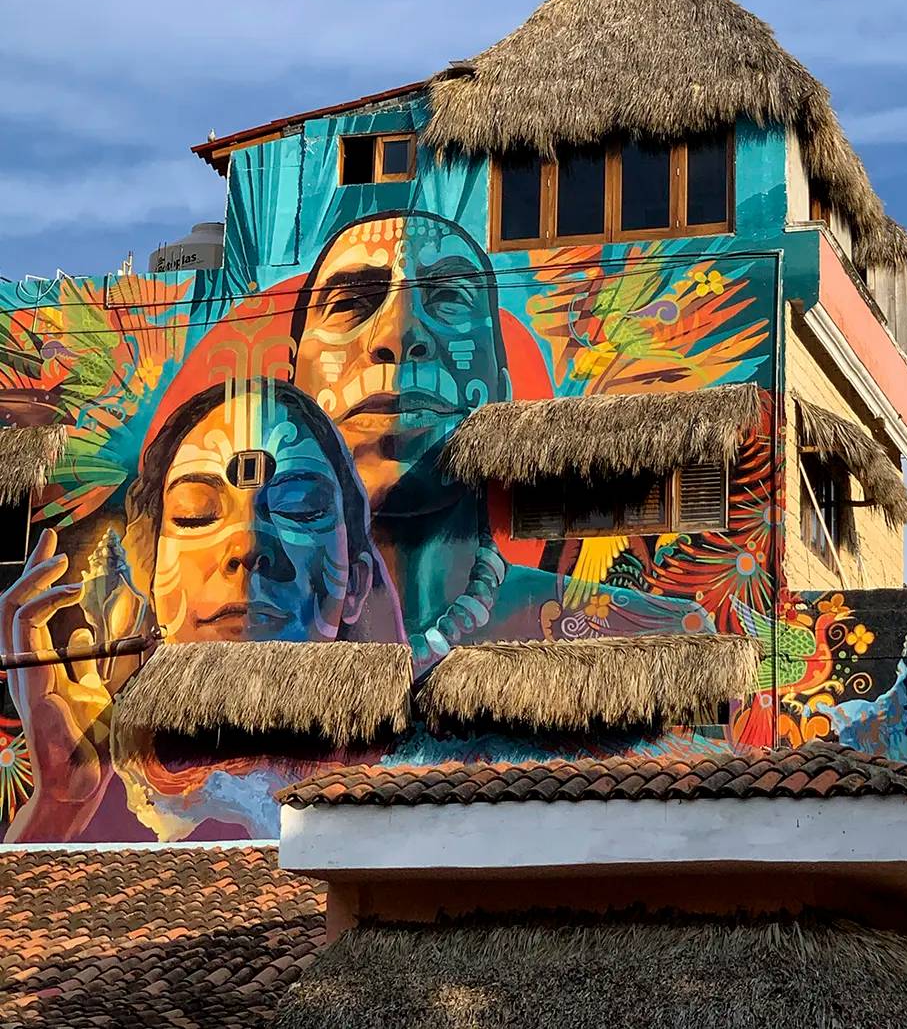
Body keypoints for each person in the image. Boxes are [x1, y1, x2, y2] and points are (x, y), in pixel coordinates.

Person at [291, 211, 715, 670]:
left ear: (503, 389)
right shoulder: (245, 641)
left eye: (450, 297)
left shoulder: (659, 642)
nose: (397, 331)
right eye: (350, 303)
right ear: (291, 386)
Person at [0, 379, 401, 842]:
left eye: (299, 509)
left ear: (356, 581)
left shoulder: (414, 776)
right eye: (195, 514)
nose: (247, 546)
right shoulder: (115, 790)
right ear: (149, 573)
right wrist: (58, 803)